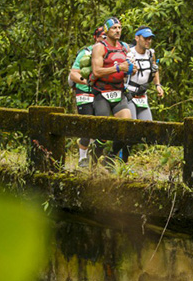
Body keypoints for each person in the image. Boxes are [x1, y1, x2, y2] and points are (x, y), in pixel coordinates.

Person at [91, 16, 134, 165]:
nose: (117, 31)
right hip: (101, 93)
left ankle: (110, 158)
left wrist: (131, 69)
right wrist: (117, 68)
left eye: (119, 28)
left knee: (126, 128)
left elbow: (128, 68)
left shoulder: (125, 47)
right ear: (107, 30)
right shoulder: (99, 47)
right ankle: (94, 159)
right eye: (114, 28)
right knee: (104, 130)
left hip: (118, 91)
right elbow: (96, 71)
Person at [69, 27, 104, 168]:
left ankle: (94, 158)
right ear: (96, 38)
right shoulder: (86, 52)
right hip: (84, 92)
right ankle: (82, 158)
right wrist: (86, 81)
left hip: (100, 93)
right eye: (102, 37)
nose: (104, 39)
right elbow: (73, 74)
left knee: (100, 127)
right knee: (87, 126)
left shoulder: (110, 52)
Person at [125, 26, 164, 122]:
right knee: (132, 125)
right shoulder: (129, 53)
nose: (148, 41)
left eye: (150, 39)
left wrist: (157, 85)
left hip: (142, 96)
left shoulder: (150, 54)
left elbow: (154, 69)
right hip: (129, 95)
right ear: (137, 38)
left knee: (148, 126)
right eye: (145, 38)